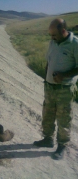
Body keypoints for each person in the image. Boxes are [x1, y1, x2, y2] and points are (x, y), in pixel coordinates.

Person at [33, 18, 78, 160]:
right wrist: (46, 77)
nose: (51, 38)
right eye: (50, 35)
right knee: (47, 114)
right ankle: (48, 139)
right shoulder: (53, 42)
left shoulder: (75, 44)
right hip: (49, 86)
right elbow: (49, 60)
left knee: (64, 118)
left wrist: (64, 75)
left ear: (63, 31)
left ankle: (62, 145)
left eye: (54, 35)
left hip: (65, 88)